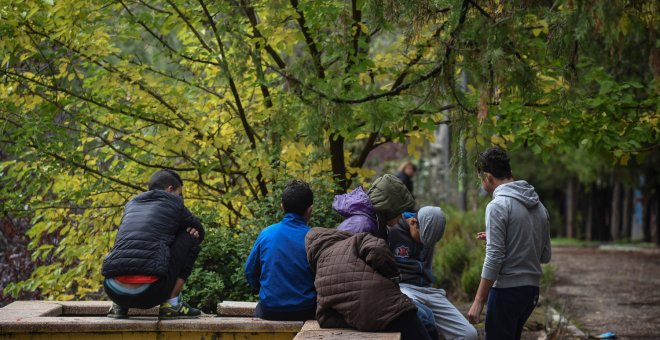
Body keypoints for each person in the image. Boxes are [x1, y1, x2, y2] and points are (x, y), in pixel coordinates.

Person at [467, 147, 552, 340]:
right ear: (510, 174)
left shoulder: (497, 206)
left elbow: (494, 257)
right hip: (530, 292)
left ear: (488, 177)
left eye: (480, 179)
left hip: (506, 291)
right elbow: (545, 255)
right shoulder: (540, 207)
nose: (481, 183)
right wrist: (508, 238)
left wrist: (479, 300)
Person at [102, 169, 204, 319]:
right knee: (190, 235)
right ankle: (172, 305)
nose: (181, 198)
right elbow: (200, 231)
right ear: (170, 189)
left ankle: (118, 307)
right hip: (149, 292)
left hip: (112, 289)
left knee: (128, 240)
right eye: (180, 194)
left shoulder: (131, 204)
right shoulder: (174, 202)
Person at [305, 227, 432, 340]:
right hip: (392, 306)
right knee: (426, 330)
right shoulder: (354, 241)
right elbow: (378, 249)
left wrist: (353, 320)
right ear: (333, 234)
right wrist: (390, 277)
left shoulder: (319, 275)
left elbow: (324, 318)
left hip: (368, 323)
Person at [389, 207, 478, 340]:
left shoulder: (429, 236)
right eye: (421, 238)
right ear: (413, 223)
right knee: (421, 320)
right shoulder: (392, 231)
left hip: (427, 290)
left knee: (469, 334)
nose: (422, 244)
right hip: (403, 288)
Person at [244, 180, 316, 321]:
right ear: (310, 209)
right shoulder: (315, 237)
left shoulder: (266, 234)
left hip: (270, 310)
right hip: (306, 310)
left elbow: (250, 272)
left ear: (282, 206)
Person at [333, 174, 415, 239]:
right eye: (399, 211)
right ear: (388, 207)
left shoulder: (377, 223)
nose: (401, 216)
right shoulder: (361, 226)